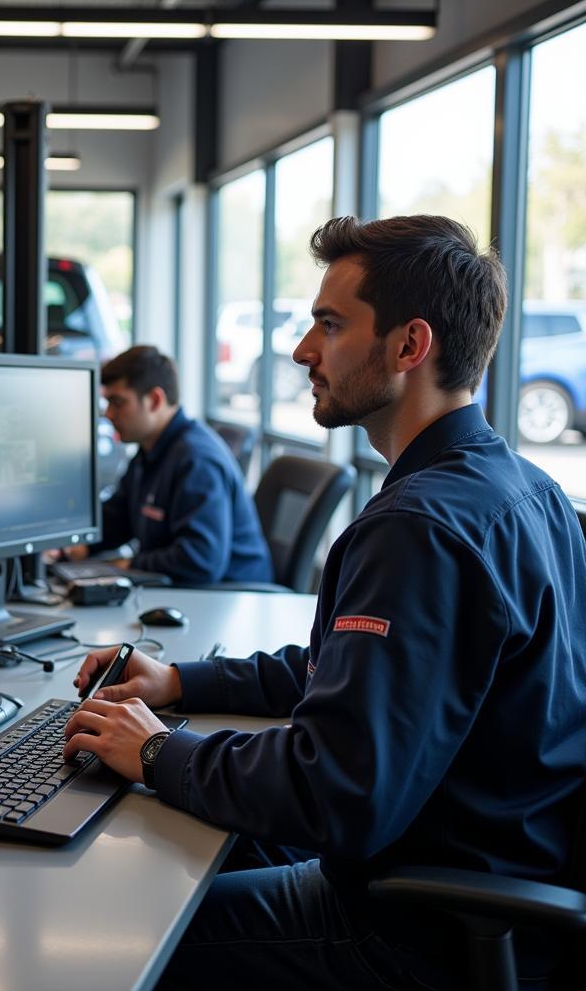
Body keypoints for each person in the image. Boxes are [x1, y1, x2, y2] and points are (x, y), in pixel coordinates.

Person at [63, 216, 586, 990]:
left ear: (410, 347)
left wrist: (153, 750)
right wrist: (181, 686)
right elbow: (350, 675)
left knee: (120, 935)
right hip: (470, 865)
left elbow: (335, 790)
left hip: (410, 926)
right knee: (176, 839)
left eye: (329, 325)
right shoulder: (526, 490)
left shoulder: (419, 528)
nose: (304, 351)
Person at [59, 345, 273, 584]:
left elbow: (200, 561)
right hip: (184, 590)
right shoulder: (150, 449)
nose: (108, 414)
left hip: (227, 595)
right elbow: (118, 519)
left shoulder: (197, 460)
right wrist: (79, 547)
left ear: (154, 400)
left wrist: (127, 565)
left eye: (117, 402)